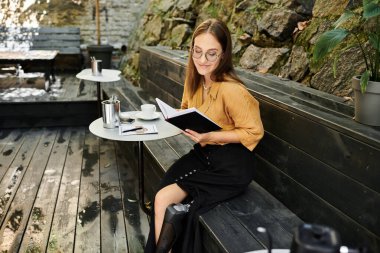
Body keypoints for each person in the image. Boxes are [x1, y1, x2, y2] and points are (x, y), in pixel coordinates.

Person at [145, 18, 264, 253]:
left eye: (211, 54)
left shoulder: (232, 90)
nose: (202, 60)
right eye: (197, 52)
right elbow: (187, 108)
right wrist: (177, 118)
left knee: (165, 199)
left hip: (231, 164)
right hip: (203, 153)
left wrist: (211, 136)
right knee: (163, 193)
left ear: (223, 55)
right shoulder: (195, 79)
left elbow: (254, 132)